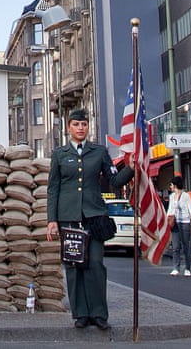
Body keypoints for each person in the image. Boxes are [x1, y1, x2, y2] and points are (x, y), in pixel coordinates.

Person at [45, 107, 133, 330]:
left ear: (88, 127)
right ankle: (80, 314)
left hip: (95, 216)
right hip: (69, 218)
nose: (80, 128)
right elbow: (53, 188)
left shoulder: (99, 152)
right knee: (74, 267)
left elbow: (114, 181)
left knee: (95, 264)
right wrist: (52, 220)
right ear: (69, 128)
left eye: (84, 124)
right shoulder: (60, 154)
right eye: (76, 124)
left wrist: (132, 167)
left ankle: (98, 314)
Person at [167, 176, 191, 277]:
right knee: (175, 247)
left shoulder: (186, 196)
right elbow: (170, 210)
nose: (170, 187)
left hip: (185, 222)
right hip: (175, 223)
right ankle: (176, 268)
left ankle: (187, 268)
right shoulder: (171, 196)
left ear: (175, 185)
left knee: (186, 246)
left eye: (171, 184)